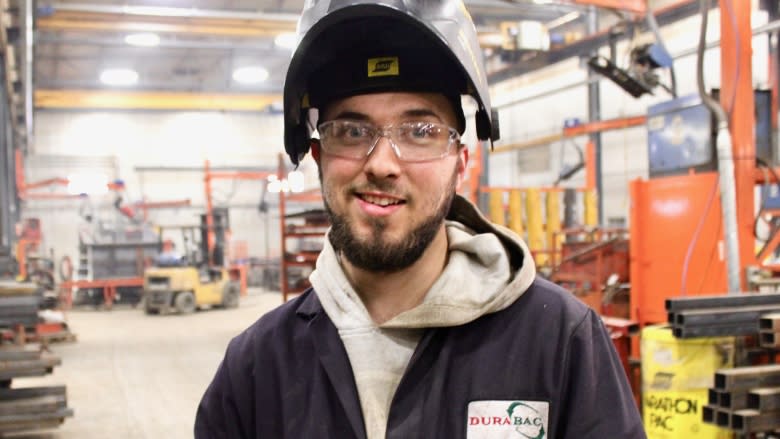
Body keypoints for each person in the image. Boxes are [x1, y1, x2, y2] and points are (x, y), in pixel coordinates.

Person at [195, 1, 646, 438]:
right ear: (317, 158)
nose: (383, 164)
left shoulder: (560, 342)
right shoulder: (256, 369)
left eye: (420, 132)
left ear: (460, 162)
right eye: (353, 132)